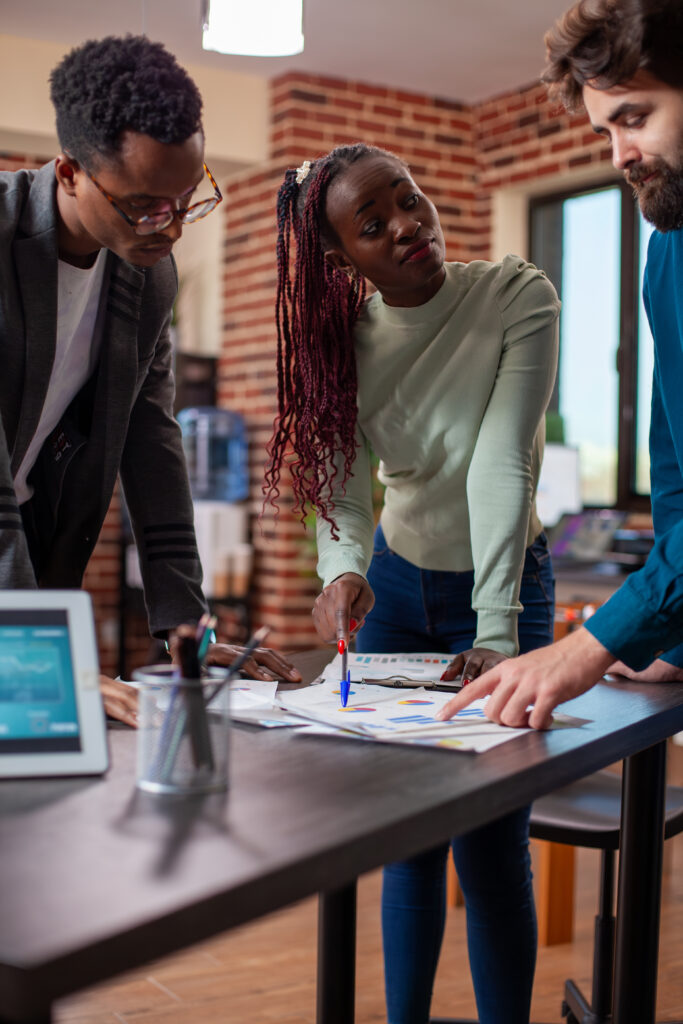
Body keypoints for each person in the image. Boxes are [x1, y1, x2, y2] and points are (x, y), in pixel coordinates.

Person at [265, 143, 560, 1023]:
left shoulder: (515, 295)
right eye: (371, 224)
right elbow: (347, 486)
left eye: (407, 198)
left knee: (491, 847)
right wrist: (343, 569)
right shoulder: (342, 347)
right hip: (395, 593)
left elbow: (502, 464)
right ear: (338, 255)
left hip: (505, 591)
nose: (405, 225)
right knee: (411, 842)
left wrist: (495, 631)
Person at [0, 34, 300, 726]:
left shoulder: (147, 276)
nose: (170, 230)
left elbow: (151, 441)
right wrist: (41, 656)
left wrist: (188, 629)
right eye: (142, 205)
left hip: (26, 537)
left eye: (187, 199)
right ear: (69, 172)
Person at [439, 0, 683, 733]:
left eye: (635, 118)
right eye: (605, 131)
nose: (618, 156)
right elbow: (674, 468)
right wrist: (671, 638)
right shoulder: (666, 251)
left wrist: (591, 644)